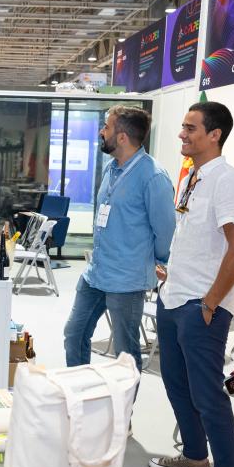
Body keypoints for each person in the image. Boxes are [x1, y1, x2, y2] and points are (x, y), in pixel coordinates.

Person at [148, 101, 234, 467]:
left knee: (208, 395)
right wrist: (169, 274)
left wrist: (210, 303)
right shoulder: (193, 176)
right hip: (174, 296)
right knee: (176, 384)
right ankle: (195, 457)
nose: (182, 134)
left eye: (191, 128)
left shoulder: (226, 181)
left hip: (200, 305)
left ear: (215, 135)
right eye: (183, 126)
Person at [63, 107, 175, 369]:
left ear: (122, 137)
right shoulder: (111, 169)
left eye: (107, 127)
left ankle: (125, 398)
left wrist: (157, 261)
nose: (102, 132)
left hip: (127, 280)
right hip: (96, 274)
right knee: (74, 334)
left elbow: (166, 230)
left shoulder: (153, 177)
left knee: (125, 354)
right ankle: (80, 390)